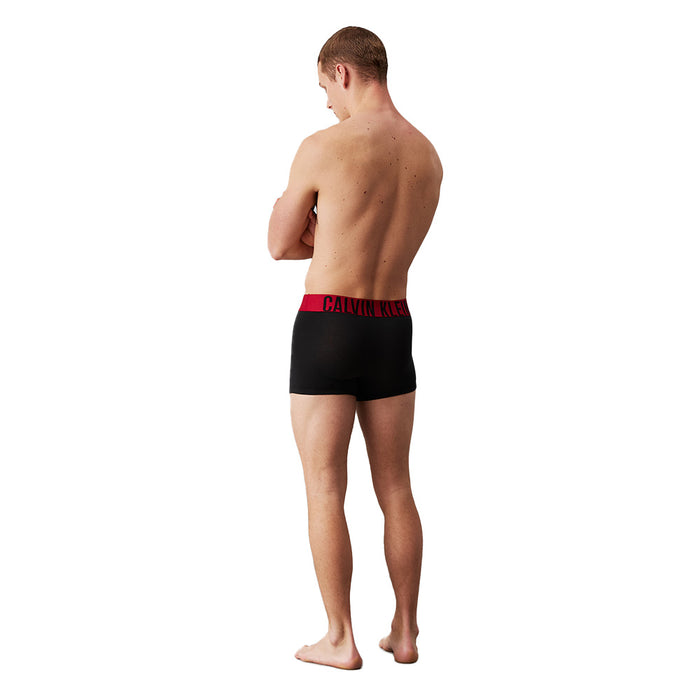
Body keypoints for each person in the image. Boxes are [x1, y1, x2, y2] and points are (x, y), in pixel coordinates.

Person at [268, 26, 442, 670]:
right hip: (393, 325)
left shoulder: (323, 147)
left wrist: (320, 230)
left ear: (342, 72)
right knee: (396, 486)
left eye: (325, 88)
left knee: (324, 487)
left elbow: (280, 244)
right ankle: (406, 631)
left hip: (329, 325)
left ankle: (340, 638)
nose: (327, 103)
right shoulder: (427, 156)